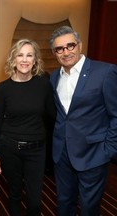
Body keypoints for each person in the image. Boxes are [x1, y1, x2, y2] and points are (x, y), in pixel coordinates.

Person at [49, 25, 117, 216]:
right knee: (64, 203)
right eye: (59, 49)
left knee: (89, 208)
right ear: (55, 53)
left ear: (79, 45)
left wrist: (108, 150)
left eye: (70, 45)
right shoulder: (54, 77)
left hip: (94, 154)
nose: (66, 52)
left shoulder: (105, 72)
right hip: (62, 154)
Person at [0, 39, 56, 216]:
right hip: (9, 149)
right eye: (20, 55)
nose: (24, 59)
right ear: (13, 59)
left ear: (35, 60)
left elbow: (53, 116)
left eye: (29, 55)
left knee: (35, 200)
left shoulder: (43, 85)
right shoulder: (3, 88)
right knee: (14, 194)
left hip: (36, 150)